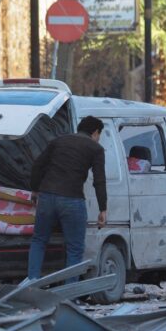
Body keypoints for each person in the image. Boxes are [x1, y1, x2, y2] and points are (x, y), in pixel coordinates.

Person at [28, 116, 107, 283]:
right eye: (99, 134)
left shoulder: (59, 141)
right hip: (72, 200)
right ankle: (69, 294)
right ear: (95, 132)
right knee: (75, 249)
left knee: (39, 241)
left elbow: (38, 165)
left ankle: (32, 283)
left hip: (47, 197)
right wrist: (103, 209)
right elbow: (99, 180)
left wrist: (35, 190)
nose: (99, 138)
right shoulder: (96, 149)